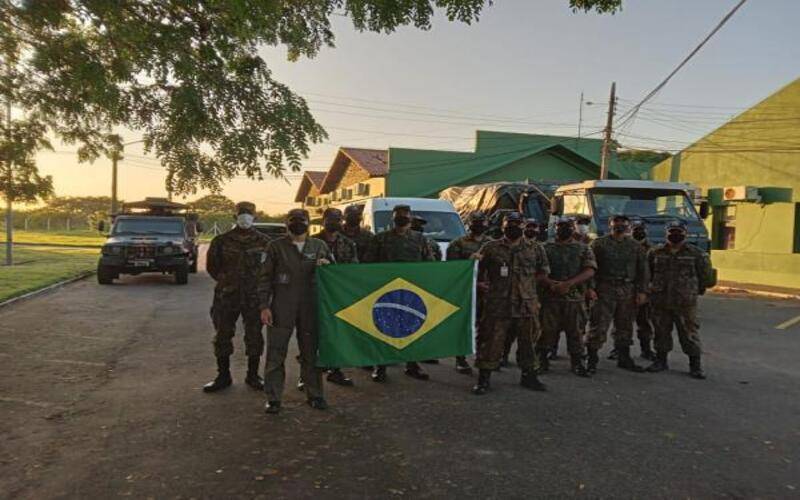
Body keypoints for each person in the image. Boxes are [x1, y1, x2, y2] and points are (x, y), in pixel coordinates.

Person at [259, 209, 332, 414]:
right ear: (286, 223)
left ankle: (315, 394)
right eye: (293, 220)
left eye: (302, 220)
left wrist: (326, 266)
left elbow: (335, 274)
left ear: (309, 223)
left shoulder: (319, 246)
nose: (298, 224)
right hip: (282, 306)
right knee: (276, 352)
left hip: (311, 306)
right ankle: (273, 398)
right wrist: (264, 306)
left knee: (311, 352)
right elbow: (264, 278)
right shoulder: (275, 247)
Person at [471, 211, 550, 395]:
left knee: (528, 342)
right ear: (503, 226)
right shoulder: (490, 247)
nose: (513, 227)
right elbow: (475, 270)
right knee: (491, 341)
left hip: (526, 304)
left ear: (523, 226)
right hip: (498, 304)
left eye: (517, 223)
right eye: (509, 224)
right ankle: (484, 379)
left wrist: (528, 286)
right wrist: (480, 282)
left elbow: (543, 271)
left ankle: (529, 376)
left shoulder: (535, 248)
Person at [363, 204, 436, 382]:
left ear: (410, 219)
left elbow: (430, 264)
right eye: (398, 217)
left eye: (405, 217)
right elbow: (367, 263)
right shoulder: (380, 239)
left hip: (412, 291)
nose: (402, 220)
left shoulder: (420, 239)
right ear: (393, 219)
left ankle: (412, 364)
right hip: (386, 291)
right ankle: (380, 365)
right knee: (384, 327)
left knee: (411, 327)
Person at [203, 202, 270, 393]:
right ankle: (223, 376)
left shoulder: (264, 242)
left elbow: (268, 270)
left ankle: (253, 375)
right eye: (241, 215)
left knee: (255, 336)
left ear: (255, 218)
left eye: (249, 215)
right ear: (235, 217)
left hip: (254, 298)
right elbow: (212, 267)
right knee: (222, 334)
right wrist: (227, 283)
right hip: (227, 297)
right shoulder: (221, 241)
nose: (245, 218)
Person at [645, 221, 711, 379]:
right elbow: (648, 274)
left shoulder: (696, 253)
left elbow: (705, 277)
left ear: (685, 233)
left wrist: (693, 292)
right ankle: (661, 361)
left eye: (679, 231)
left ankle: (695, 365)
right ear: (666, 233)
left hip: (685, 302)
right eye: (672, 231)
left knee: (689, 334)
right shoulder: (655, 253)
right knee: (661, 332)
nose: (675, 234)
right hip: (660, 300)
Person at [585, 214, 649, 374]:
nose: (619, 226)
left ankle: (624, 358)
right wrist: (590, 288)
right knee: (598, 325)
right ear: (610, 226)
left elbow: (643, 271)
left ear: (628, 227)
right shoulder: (599, 244)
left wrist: (642, 291)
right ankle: (591, 359)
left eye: (623, 224)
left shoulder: (635, 246)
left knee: (625, 326)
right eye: (616, 224)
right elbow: (590, 267)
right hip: (604, 289)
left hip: (627, 289)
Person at [536, 217, 597, 377]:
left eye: (568, 227)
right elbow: (536, 272)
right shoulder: (544, 248)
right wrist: (551, 284)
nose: (563, 229)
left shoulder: (583, 249)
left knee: (576, 332)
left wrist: (569, 284)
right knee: (545, 331)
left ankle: (577, 363)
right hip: (550, 298)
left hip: (575, 299)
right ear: (554, 228)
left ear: (573, 229)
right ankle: (542, 361)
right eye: (560, 226)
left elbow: (590, 270)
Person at [311, 207, 358, 387]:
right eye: (330, 219)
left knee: (336, 333)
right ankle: (306, 374)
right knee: (311, 335)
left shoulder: (348, 244)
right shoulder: (312, 242)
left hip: (337, 298)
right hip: (314, 295)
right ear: (323, 220)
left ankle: (335, 370)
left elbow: (352, 271)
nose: (334, 223)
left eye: (338, 220)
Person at [446, 211, 492, 375]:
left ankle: (483, 357)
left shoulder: (492, 244)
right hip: (466, 291)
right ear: (470, 224)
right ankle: (461, 359)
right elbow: (453, 271)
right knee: (464, 325)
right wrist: (469, 262)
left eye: (482, 222)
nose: (479, 226)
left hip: (488, 292)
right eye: (476, 222)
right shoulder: (458, 244)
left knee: (486, 325)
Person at [631, 219, 656, 361]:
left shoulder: (653, 250)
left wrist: (648, 289)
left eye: (641, 229)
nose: (638, 232)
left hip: (645, 291)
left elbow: (654, 271)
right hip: (626, 290)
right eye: (636, 229)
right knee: (622, 322)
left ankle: (646, 349)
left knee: (644, 321)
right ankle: (619, 349)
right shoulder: (625, 247)